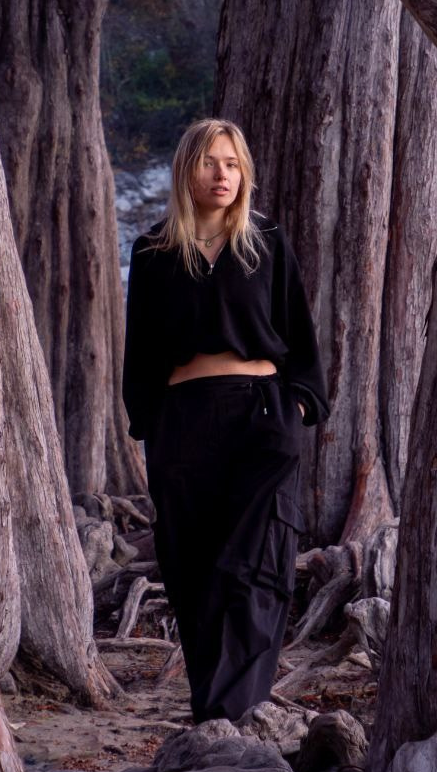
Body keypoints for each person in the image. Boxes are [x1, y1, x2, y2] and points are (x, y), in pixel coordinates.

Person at [122, 118, 329, 723]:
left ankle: (239, 714)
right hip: (183, 424)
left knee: (256, 564)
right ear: (188, 169)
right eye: (211, 162)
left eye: (233, 164)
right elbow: (141, 353)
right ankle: (212, 714)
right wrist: (152, 427)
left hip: (260, 418)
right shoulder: (155, 251)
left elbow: (300, 338)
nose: (223, 174)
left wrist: (296, 406)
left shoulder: (266, 242)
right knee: (193, 566)